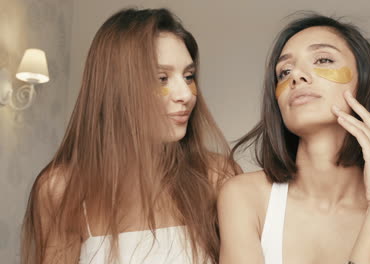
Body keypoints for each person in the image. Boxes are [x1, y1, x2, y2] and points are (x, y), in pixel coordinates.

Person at [218, 14, 370, 264]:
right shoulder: (243, 196)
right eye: (284, 71)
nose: (296, 77)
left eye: (323, 59)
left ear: (365, 82)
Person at [21, 8, 237, 264]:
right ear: (117, 87)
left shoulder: (217, 178)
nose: (187, 94)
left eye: (188, 76)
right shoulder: (62, 189)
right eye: (161, 78)